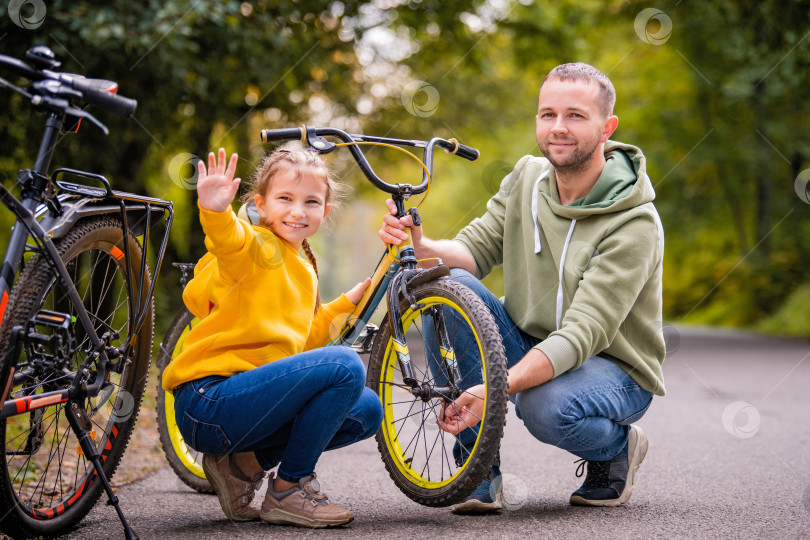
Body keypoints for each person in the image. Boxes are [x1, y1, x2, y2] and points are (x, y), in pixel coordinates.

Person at [379, 63, 665, 514]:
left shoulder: (635, 223)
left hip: (612, 366)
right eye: (547, 114)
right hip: (529, 338)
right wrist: (419, 242)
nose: (558, 128)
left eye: (575, 115)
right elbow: (473, 251)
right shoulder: (526, 178)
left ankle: (615, 449)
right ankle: (477, 465)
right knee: (449, 285)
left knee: (545, 406)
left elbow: (581, 334)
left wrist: (493, 387)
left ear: (607, 126)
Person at [163, 147, 383, 528]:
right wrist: (215, 212)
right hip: (208, 401)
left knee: (366, 410)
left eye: (310, 202)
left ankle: (242, 468)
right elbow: (230, 243)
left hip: (244, 407)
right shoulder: (258, 247)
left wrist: (345, 304)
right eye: (285, 199)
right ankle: (289, 490)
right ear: (261, 206)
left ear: (325, 212)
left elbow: (305, 342)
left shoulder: (302, 265)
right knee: (347, 366)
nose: (298, 211)